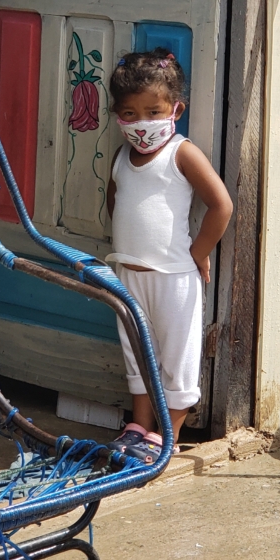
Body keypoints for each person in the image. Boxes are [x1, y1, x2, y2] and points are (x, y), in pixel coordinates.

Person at [104, 49, 233, 464]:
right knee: (137, 353)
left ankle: (168, 435)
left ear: (176, 108)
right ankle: (139, 427)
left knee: (176, 359)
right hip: (128, 274)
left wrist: (197, 253)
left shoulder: (182, 153)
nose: (142, 122)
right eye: (129, 113)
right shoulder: (122, 157)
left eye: (153, 111)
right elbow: (115, 200)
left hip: (175, 279)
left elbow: (221, 206)